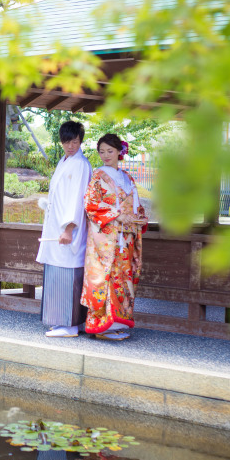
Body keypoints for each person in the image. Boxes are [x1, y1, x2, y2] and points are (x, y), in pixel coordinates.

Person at [80, 133, 148, 341]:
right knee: (106, 278)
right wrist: (118, 215)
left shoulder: (128, 178)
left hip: (126, 238)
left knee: (124, 278)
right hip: (106, 239)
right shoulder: (98, 176)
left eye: (110, 151)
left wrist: (140, 218)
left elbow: (136, 206)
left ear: (120, 151)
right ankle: (102, 326)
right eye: (102, 152)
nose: (105, 155)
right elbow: (91, 204)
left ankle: (117, 323)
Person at [36, 121, 92, 338]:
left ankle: (69, 325)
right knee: (58, 272)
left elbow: (78, 199)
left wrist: (69, 229)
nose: (71, 146)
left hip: (69, 229)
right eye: (67, 142)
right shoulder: (65, 161)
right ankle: (65, 322)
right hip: (56, 226)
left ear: (80, 141)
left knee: (68, 273)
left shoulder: (80, 164)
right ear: (61, 142)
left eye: (75, 142)